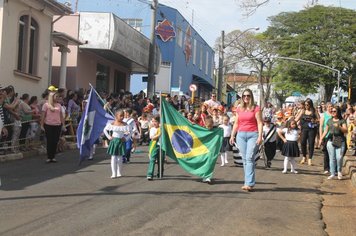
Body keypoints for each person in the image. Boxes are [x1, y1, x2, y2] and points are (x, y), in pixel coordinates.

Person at [229, 89, 263, 191]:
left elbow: (260, 123)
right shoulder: (239, 109)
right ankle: (247, 182)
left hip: (253, 134)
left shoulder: (256, 108)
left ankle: (249, 183)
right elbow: (236, 123)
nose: (246, 97)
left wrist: (260, 136)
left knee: (249, 158)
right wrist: (232, 135)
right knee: (245, 159)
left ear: (251, 96)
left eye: (248, 95)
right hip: (241, 135)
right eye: (244, 96)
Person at [320, 106, 348, 180]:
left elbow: (346, 131)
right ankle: (332, 173)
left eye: (334, 111)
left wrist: (339, 127)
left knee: (339, 157)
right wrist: (321, 139)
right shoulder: (329, 120)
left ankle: (339, 171)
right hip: (330, 140)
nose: (333, 112)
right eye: (332, 111)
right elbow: (325, 131)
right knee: (332, 158)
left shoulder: (342, 120)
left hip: (340, 140)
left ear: (338, 112)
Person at [40, 86, 66, 163]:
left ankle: (53, 156)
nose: (58, 97)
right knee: (50, 141)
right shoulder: (46, 105)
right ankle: (49, 157)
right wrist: (41, 125)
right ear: (52, 96)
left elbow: (61, 116)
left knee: (55, 141)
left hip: (57, 125)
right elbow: (43, 116)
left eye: (58, 96)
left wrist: (63, 124)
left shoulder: (59, 105)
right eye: (56, 96)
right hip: (48, 125)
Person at [103, 109, 130, 179]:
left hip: (121, 141)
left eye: (123, 116)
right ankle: (113, 173)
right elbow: (105, 130)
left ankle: (119, 172)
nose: (122, 117)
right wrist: (109, 137)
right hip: (114, 141)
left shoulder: (125, 124)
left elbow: (131, 131)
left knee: (119, 158)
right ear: (116, 116)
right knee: (113, 157)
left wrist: (125, 138)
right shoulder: (112, 124)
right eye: (120, 116)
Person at [295, 98, 320, 166]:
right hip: (304, 129)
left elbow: (319, 119)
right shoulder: (303, 111)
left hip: (312, 129)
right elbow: (296, 119)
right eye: (305, 105)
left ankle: (310, 159)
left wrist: (314, 120)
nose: (306, 106)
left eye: (308, 105)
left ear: (310, 105)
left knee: (311, 143)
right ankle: (304, 156)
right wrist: (290, 123)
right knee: (302, 142)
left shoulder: (314, 111)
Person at [146, 115, 164, 180]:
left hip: (162, 146)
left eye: (155, 121)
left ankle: (160, 173)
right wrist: (159, 134)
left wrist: (161, 130)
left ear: (159, 122)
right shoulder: (152, 129)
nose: (154, 123)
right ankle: (150, 174)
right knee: (152, 159)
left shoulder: (162, 129)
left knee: (160, 160)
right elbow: (152, 137)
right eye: (153, 121)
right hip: (154, 145)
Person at [319, 102, 333, 174]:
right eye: (329, 107)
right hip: (326, 136)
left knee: (333, 153)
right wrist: (321, 137)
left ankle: (332, 168)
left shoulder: (334, 114)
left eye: (331, 106)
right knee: (326, 153)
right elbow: (321, 127)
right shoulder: (324, 115)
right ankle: (326, 168)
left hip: (334, 136)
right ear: (327, 107)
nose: (330, 108)